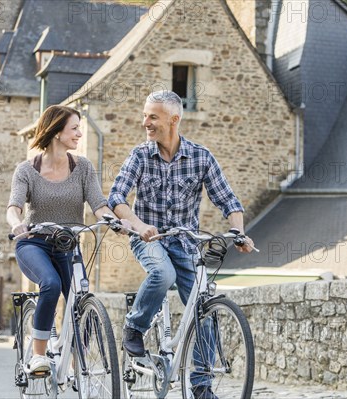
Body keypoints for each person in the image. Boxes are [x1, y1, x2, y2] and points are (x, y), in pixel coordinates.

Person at [108, 90, 254, 399]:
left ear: (174, 120)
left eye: (152, 117)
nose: (145, 122)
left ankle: (201, 387)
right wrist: (138, 225)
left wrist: (238, 232)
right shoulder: (140, 155)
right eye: (145, 115)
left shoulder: (200, 156)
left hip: (186, 245)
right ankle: (134, 327)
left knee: (204, 310)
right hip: (148, 240)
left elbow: (229, 200)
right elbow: (117, 198)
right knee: (163, 274)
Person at [7, 105, 129, 374]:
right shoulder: (26, 170)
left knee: (81, 297)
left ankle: (77, 359)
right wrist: (17, 225)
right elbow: (14, 206)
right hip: (34, 243)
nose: (79, 134)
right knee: (50, 284)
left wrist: (113, 220)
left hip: (68, 245)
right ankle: (39, 356)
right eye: (74, 128)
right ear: (56, 131)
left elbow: (99, 203)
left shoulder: (83, 167)